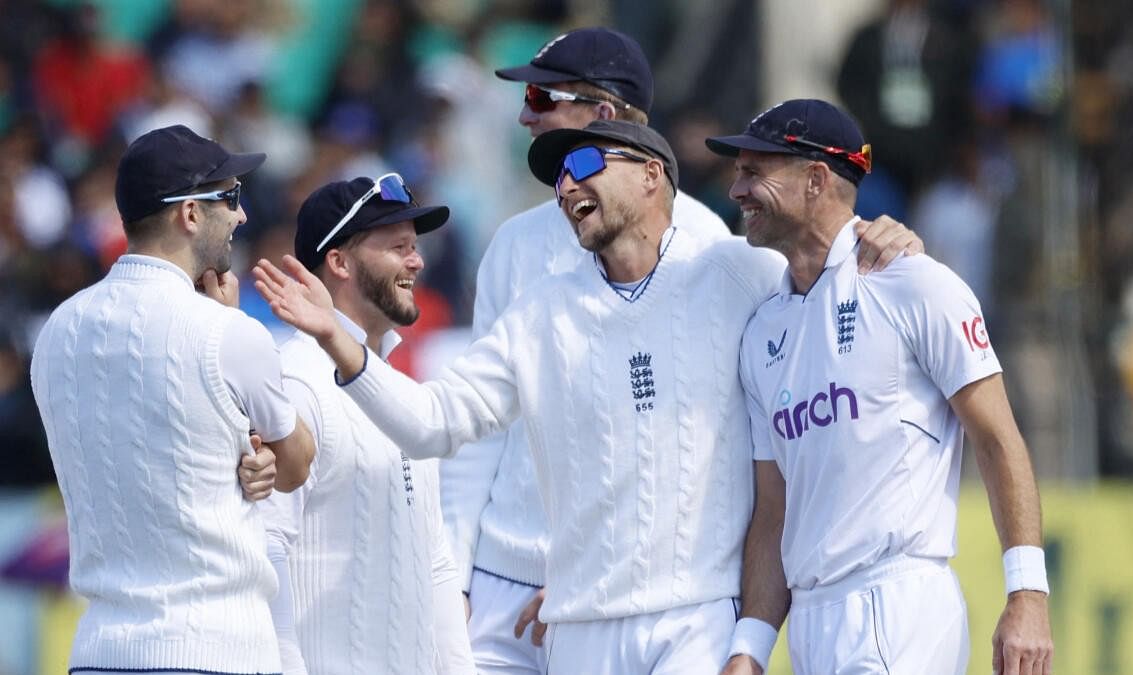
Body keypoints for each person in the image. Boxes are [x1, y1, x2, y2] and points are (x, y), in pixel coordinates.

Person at [254, 119, 917, 674]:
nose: (566, 183)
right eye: (556, 175)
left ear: (652, 175)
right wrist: (338, 344)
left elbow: (831, 294)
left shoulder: (736, 271)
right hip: (578, 632)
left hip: (696, 623)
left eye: (582, 162)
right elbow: (434, 424)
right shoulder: (539, 311)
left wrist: (884, 242)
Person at [437, 27, 922, 675]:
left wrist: (883, 243)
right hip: (502, 579)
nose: (525, 115)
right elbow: (478, 439)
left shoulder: (712, 247)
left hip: (629, 595)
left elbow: (713, 438)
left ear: (603, 114)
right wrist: (452, 581)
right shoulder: (513, 245)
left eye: (540, 97)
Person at [709, 100, 1053, 675]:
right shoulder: (761, 332)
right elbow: (775, 510)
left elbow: (998, 439)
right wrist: (750, 648)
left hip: (896, 605)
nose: (737, 189)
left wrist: (1028, 597)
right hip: (812, 621)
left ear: (815, 180)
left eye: (753, 171)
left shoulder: (915, 285)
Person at [30, 124, 316, 674]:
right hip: (215, 649)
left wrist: (246, 450)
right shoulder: (226, 333)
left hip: (98, 652)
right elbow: (296, 464)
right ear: (190, 213)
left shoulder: (57, 330)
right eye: (230, 198)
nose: (241, 215)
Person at [261, 175, 473, 674]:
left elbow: (436, 560)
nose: (417, 262)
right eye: (398, 247)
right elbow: (266, 554)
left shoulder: (404, 394)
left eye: (415, 247)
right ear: (339, 262)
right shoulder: (295, 384)